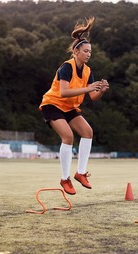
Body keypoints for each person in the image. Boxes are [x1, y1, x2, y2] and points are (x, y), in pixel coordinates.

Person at [39, 17, 110, 195]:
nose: (88, 54)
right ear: (76, 51)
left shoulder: (87, 71)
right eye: (85, 51)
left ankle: (80, 173)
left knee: (88, 132)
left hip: (69, 107)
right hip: (53, 104)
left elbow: (93, 97)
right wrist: (88, 88)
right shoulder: (66, 67)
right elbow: (63, 92)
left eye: (90, 52)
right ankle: (65, 179)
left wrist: (101, 90)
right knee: (68, 136)